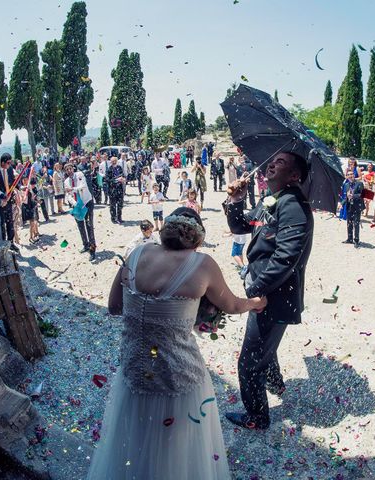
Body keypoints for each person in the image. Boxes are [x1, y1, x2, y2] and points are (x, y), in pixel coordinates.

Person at [92, 208, 266, 480]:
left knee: (138, 439)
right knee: (177, 448)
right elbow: (232, 305)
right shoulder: (202, 264)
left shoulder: (136, 254)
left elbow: (114, 307)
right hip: (179, 377)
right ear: (197, 238)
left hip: (134, 372)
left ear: (164, 232)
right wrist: (255, 303)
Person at [225, 151, 313, 430]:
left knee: (249, 364)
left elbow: (287, 256)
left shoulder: (294, 206)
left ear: (295, 176)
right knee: (265, 344)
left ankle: (257, 417)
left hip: (273, 296)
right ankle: (274, 381)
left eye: (282, 162)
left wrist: (255, 289)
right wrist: (237, 201)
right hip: (264, 292)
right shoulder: (270, 200)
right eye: (272, 160)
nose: (272, 163)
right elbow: (241, 225)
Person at [64, 164, 96, 260]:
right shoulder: (66, 181)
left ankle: (92, 250)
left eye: (70, 168)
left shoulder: (80, 175)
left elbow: (83, 186)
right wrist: (75, 204)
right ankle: (85, 245)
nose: (69, 171)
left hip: (87, 202)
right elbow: (68, 195)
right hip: (77, 206)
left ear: (73, 168)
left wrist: (73, 189)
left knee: (89, 227)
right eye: (67, 170)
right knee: (80, 226)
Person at [0, 153, 18, 252]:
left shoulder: (10, 169)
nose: (9, 164)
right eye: (8, 163)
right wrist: (2, 197)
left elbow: (13, 182)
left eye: (10, 162)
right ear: (2, 162)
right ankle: (4, 245)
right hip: (1, 202)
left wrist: (19, 188)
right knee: (2, 223)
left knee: (10, 222)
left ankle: (11, 242)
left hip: (9, 201)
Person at [341, 169, 364, 248]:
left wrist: (353, 196)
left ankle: (356, 240)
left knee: (356, 224)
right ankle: (349, 239)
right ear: (347, 177)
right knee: (349, 223)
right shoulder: (346, 185)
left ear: (354, 175)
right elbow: (346, 197)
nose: (350, 176)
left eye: (352, 174)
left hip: (357, 206)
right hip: (349, 206)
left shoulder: (359, 183)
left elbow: (362, 195)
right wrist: (341, 204)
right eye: (349, 175)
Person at [106, 156, 125, 224]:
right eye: (112, 161)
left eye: (115, 161)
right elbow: (107, 180)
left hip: (119, 188)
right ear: (111, 162)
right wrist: (116, 180)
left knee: (120, 204)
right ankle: (113, 218)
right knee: (113, 205)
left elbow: (123, 175)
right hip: (112, 190)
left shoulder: (119, 168)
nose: (114, 162)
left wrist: (123, 179)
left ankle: (119, 218)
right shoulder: (109, 169)